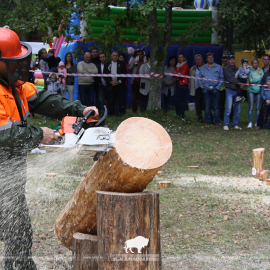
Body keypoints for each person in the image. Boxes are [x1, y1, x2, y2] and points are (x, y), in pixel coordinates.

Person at [0, 27, 99, 270]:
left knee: (16, 226)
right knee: (16, 226)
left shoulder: (16, 85)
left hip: (10, 169)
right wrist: (38, 135)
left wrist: (79, 109)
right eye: (12, 63)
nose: (19, 68)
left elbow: (43, 100)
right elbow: (3, 137)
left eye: (19, 62)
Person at [199, 53, 223, 126]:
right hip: (206, 89)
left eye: (212, 57)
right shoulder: (202, 68)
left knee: (216, 106)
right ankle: (208, 121)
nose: (210, 59)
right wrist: (202, 86)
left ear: (213, 58)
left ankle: (217, 122)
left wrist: (218, 87)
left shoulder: (219, 67)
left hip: (215, 89)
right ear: (206, 59)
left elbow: (222, 78)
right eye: (209, 58)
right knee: (207, 106)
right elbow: (199, 78)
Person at [223, 55, 245, 130]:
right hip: (229, 90)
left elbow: (242, 77)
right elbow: (231, 79)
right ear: (228, 61)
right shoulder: (226, 69)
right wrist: (240, 83)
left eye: (233, 59)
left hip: (237, 91)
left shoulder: (238, 69)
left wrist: (242, 83)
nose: (232, 61)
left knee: (237, 109)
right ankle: (225, 124)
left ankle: (235, 124)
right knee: (228, 108)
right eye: (230, 60)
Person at [103, 51, 127, 116]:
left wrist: (119, 82)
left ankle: (122, 113)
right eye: (114, 55)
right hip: (110, 86)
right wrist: (110, 82)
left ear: (118, 56)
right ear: (111, 56)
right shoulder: (107, 64)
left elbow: (125, 74)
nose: (115, 56)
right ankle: (110, 114)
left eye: (116, 55)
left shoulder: (122, 63)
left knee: (121, 100)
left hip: (120, 85)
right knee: (110, 101)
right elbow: (105, 75)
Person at [247, 58, 264, 128]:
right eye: (254, 63)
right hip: (251, 90)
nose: (255, 64)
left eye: (256, 63)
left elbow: (262, 80)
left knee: (258, 108)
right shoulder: (250, 70)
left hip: (259, 91)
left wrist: (255, 80)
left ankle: (257, 122)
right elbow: (250, 80)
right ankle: (250, 122)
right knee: (251, 107)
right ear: (252, 63)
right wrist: (258, 79)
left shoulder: (261, 70)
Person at [173, 53, 189, 120]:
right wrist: (178, 73)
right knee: (175, 99)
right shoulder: (177, 65)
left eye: (181, 57)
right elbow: (173, 73)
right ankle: (178, 113)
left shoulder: (185, 65)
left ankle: (182, 114)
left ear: (184, 58)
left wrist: (177, 74)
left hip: (183, 84)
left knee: (182, 100)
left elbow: (182, 75)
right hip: (177, 83)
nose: (180, 58)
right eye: (179, 57)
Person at [256, 54, 270, 130]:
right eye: (264, 59)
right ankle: (260, 124)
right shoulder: (260, 70)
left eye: (267, 59)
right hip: (263, 92)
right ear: (262, 60)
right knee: (262, 109)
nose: (265, 60)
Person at [189, 54, 204, 122]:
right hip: (196, 88)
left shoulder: (206, 67)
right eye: (197, 59)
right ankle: (199, 117)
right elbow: (190, 80)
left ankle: (209, 117)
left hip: (205, 88)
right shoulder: (192, 69)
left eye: (199, 59)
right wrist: (191, 89)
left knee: (207, 104)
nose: (198, 61)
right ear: (195, 61)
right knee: (197, 104)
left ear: (202, 60)